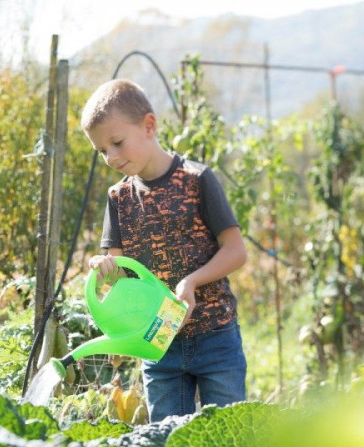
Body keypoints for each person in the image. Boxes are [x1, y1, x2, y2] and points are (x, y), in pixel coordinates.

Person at [81, 78, 247, 422]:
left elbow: (235, 252)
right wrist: (105, 268)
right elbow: (120, 267)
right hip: (157, 343)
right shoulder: (118, 198)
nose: (110, 157)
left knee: (231, 441)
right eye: (102, 151)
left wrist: (192, 282)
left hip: (215, 335)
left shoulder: (196, 179)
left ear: (149, 126)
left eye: (116, 143)